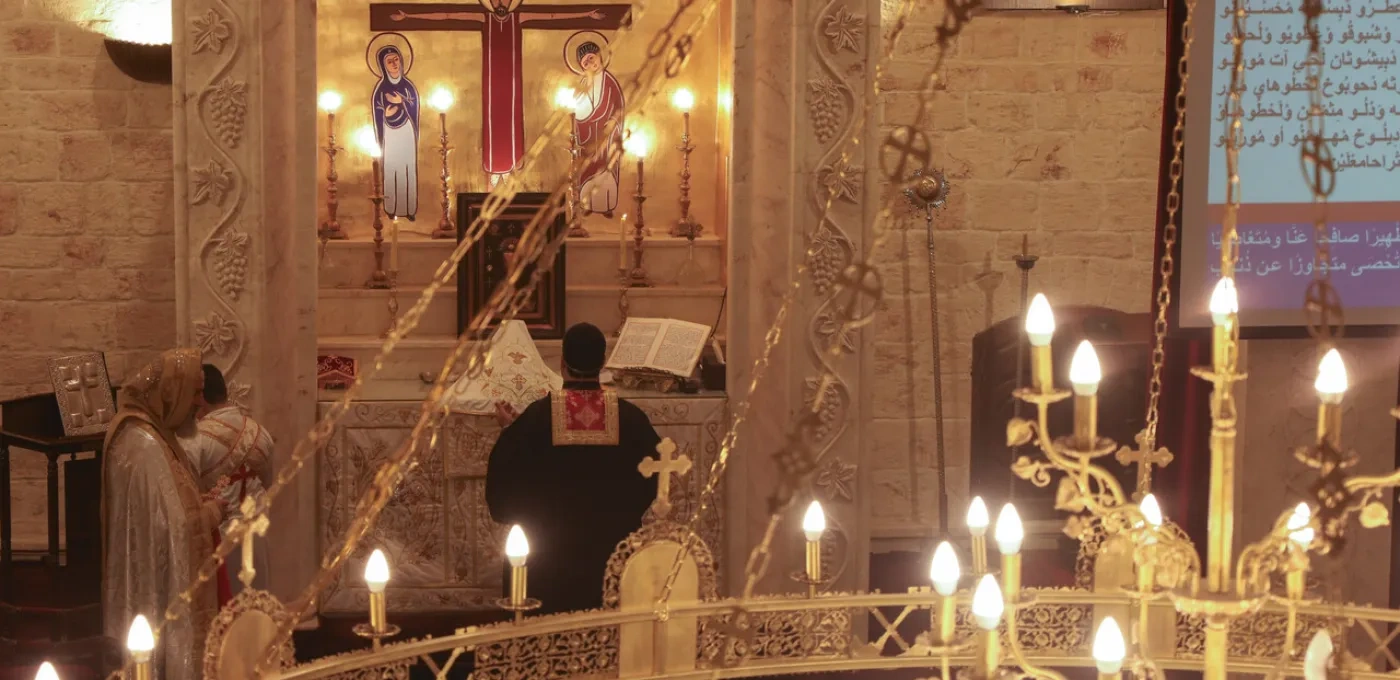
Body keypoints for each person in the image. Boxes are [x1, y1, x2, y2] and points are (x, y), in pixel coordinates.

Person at [485, 322, 659, 614]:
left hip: (547, 568)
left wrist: (509, 431)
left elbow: (503, 493)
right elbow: (651, 481)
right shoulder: (631, 419)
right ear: (602, 363)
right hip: (612, 563)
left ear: (562, 364)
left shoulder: (536, 418)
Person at [102, 349, 226, 680]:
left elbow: (167, 507)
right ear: (172, 393)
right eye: (195, 393)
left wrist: (197, 500)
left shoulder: (152, 432)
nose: (200, 403)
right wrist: (211, 512)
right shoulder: (142, 444)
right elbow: (175, 529)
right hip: (153, 593)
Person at [180, 364, 274, 597]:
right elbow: (269, 482)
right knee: (256, 602)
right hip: (256, 534)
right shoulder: (260, 432)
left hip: (218, 536)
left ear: (201, 397)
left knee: (224, 604)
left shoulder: (195, 438)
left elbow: (187, 494)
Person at [568, 36, 625, 217]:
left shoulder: (610, 81)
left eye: (591, 58)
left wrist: (614, 121)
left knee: (605, 167)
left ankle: (605, 205)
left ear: (600, 57)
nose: (589, 63)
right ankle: (587, 204)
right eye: (585, 62)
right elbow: (575, 109)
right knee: (587, 169)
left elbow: (619, 106)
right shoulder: (583, 83)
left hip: (606, 136)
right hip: (586, 134)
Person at [372, 43, 420, 220]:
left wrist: (401, 101)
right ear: (383, 66)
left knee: (408, 168)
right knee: (391, 169)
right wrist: (386, 113)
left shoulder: (408, 86)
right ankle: (391, 209)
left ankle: (409, 210)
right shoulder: (380, 89)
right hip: (390, 133)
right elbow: (378, 111)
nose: (394, 64)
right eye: (389, 61)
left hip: (406, 130)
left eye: (396, 59)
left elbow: (413, 107)